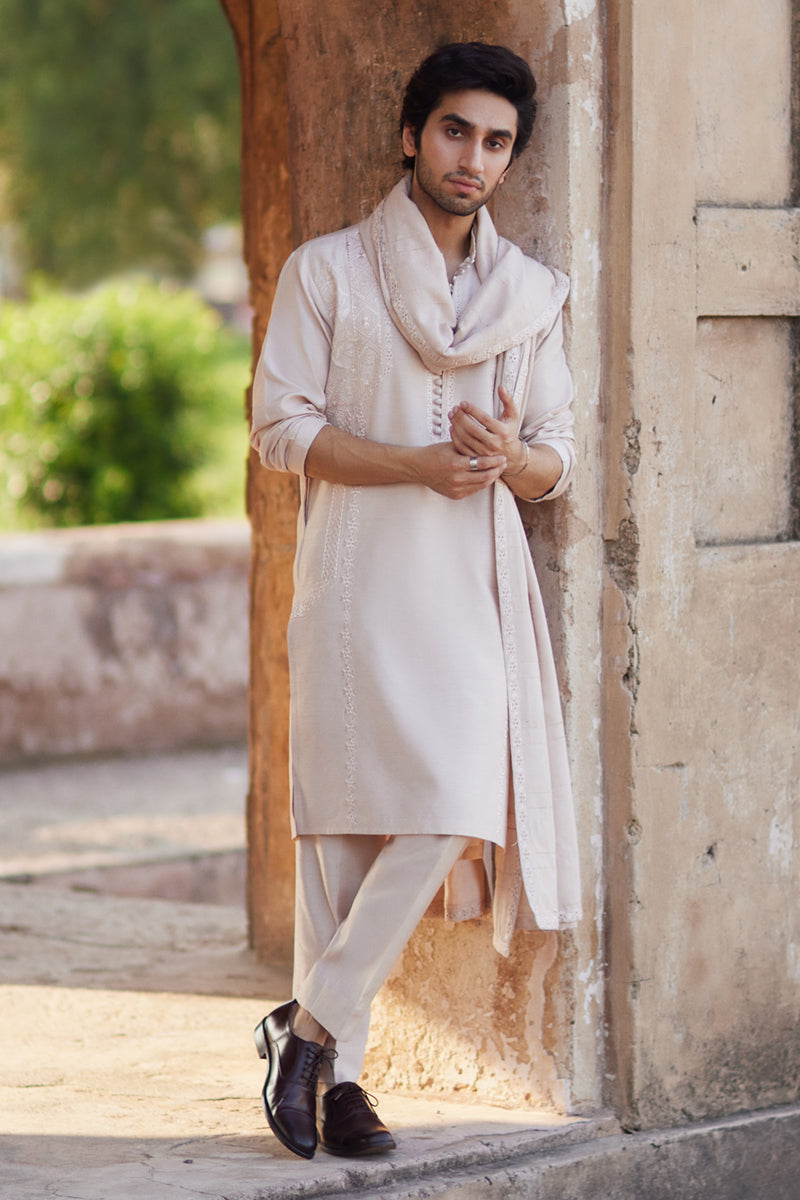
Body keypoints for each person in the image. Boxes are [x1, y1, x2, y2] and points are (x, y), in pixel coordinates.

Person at [249, 40, 581, 1160]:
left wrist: (507, 459)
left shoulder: (528, 296)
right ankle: (336, 1084)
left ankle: (301, 1029)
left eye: (495, 141)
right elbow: (280, 430)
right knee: (340, 837)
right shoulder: (327, 273)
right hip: (355, 580)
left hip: (469, 589)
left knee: (455, 800)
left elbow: (557, 458)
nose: (472, 157)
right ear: (412, 135)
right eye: (454, 131)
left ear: (509, 157)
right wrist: (417, 463)